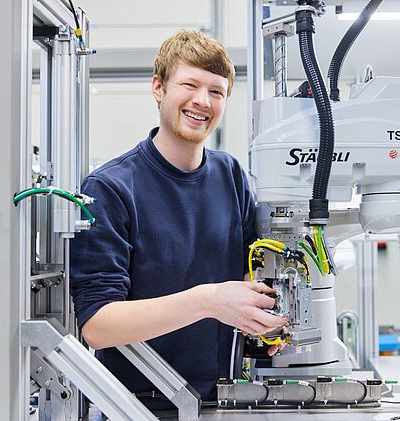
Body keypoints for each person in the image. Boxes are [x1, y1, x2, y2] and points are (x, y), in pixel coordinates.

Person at [70, 30, 287, 408]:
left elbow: (253, 267)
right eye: (190, 85)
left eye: (216, 92)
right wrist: (208, 300)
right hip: (138, 407)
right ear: (159, 88)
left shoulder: (230, 174)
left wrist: (266, 316)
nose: (202, 101)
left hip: (223, 401)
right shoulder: (110, 187)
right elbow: (97, 326)